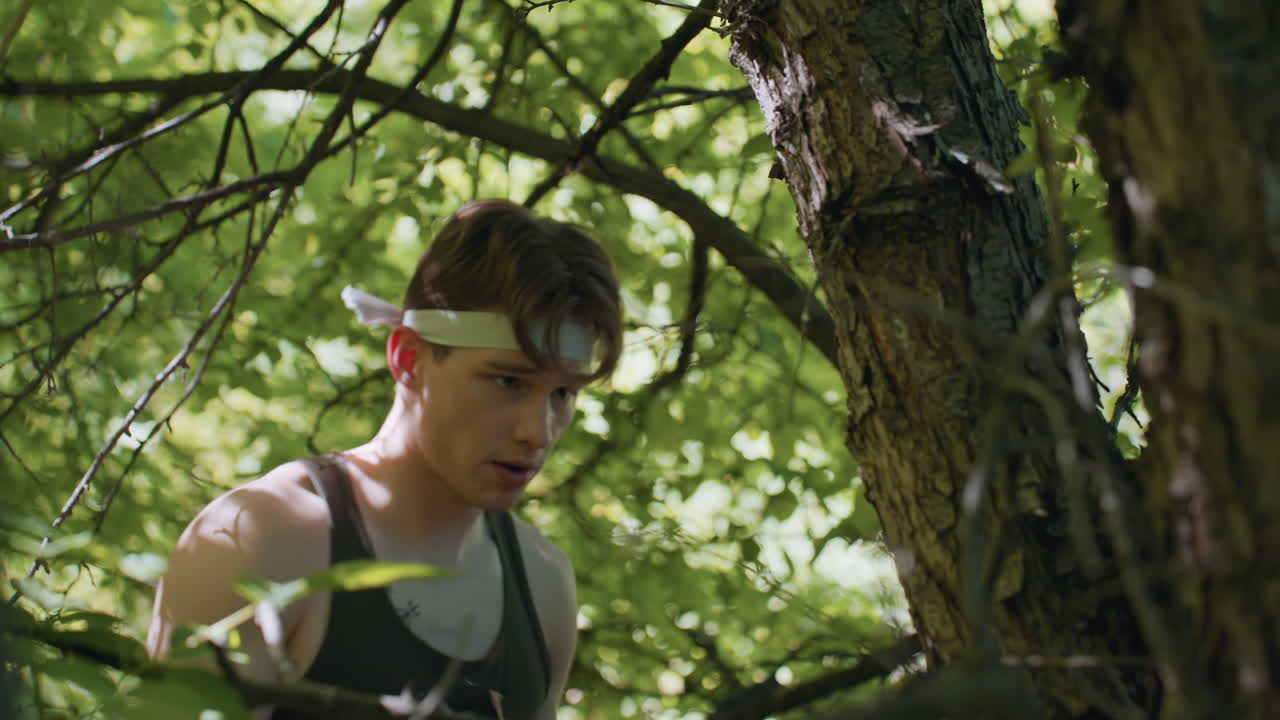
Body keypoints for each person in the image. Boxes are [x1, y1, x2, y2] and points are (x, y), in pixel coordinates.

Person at [146, 199, 624, 720]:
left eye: (563, 395)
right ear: (408, 358)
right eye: (509, 381)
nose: (538, 432)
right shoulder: (259, 538)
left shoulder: (543, 584)